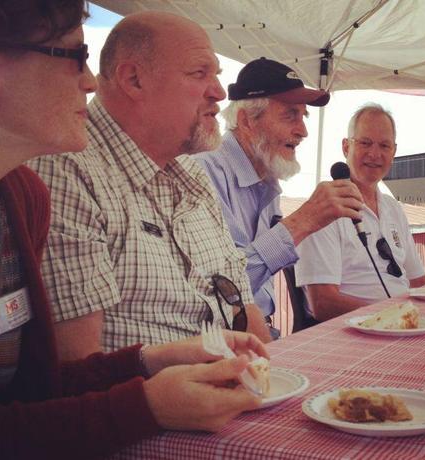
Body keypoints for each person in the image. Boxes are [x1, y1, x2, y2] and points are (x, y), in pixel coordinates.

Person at [0, 2, 268, 458]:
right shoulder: (56, 174)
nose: (88, 82)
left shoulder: (19, 195)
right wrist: (147, 403)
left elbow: (35, 385)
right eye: (74, 56)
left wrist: (151, 361)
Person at [29, 10, 272, 360]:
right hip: (155, 410)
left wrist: (275, 381)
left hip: (233, 396)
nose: (219, 92)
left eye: (216, 75)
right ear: (134, 80)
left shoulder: (192, 173)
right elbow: (79, 370)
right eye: (199, 73)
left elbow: (242, 305)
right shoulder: (66, 169)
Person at [195, 58, 364, 336]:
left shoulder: (267, 177)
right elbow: (221, 289)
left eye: (303, 116)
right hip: (220, 348)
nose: (303, 131)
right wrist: (303, 221)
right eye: (290, 115)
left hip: (263, 336)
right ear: (247, 121)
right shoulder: (205, 172)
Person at [295, 103, 425, 322]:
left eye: (384, 146)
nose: (375, 154)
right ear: (346, 147)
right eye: (365, 143)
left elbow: (419, 280)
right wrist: (390, 315)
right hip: (354, 332)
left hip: (402, 323)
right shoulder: (323, 209)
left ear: (394, 152)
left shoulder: (393, 208)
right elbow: (322, 303)